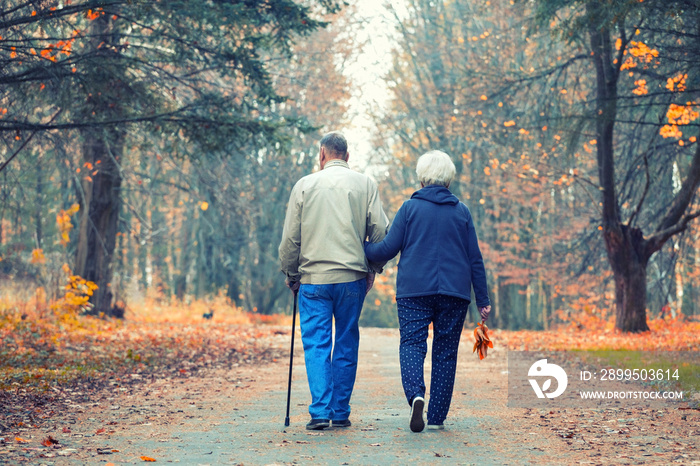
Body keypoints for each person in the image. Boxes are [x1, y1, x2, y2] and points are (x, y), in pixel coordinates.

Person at [364, 150, 491, 433]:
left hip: (413, 291)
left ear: (422, 177)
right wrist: (482, 299)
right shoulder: (462, 211)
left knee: (412, 344)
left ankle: (416, 395)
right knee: (445, 352)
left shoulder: (409, 209)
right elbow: (475, 258)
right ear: (448, 178)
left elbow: (387, 249)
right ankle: (436, 418)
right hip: (454, 293)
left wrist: (362, 247)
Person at [278, 131, 389, 430]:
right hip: (351, 278)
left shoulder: (304, 185)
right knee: (346, 341)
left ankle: (319, 412)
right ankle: (340, 411)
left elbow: (290, 239)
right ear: (347, 156)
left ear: (322, 155)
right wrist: (372, 267)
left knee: (316, 343)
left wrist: (291, 274)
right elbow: (381, 232)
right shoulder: (365, 184)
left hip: (313, 280)